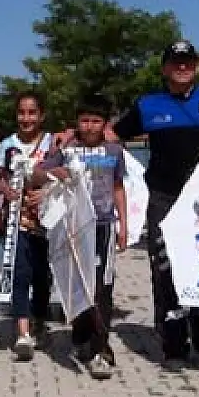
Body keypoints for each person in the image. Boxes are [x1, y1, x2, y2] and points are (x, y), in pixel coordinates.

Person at [112, 40, 199, 367]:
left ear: (197, 66)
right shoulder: (148, 105)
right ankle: (173, 345)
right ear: (165, 68)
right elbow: (112, 135)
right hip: (163, 198)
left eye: (187, 62)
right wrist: (75, 141)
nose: (182, 67)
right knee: (165, 269)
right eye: (175, 62)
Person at [38, 94, 127, 379]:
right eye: (85, 120)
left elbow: (118, 188)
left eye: (96, 121)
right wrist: (55, 169)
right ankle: (82, 336)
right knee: (78, 284)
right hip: (73, 227)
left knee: (102, 287)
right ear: (77, 122)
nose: (89, 126)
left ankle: (102, 348)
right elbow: (38, 174)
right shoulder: (66, 148)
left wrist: (123, 225)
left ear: (105, 124)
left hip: (102, 226)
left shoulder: (114, 151)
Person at [0, 93, 54, 360]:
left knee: (42, 276)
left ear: (41, 115)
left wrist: (46, 191)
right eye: (21, 112)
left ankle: (39, 319)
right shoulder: (7, 145)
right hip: (18, 222)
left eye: (32, 113)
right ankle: (22, 331)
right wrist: (6, 192)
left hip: (48, 222)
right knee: (20, 274)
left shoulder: (53, 143)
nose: (26, 118)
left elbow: (63, 174)